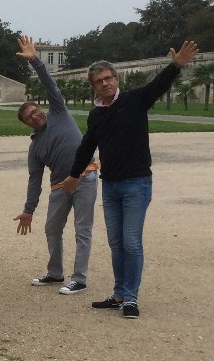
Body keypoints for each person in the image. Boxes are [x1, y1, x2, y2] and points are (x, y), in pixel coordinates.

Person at [59, 40, 201, 319]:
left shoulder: (135, 100)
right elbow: (87, 147)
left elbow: (157, 86)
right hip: (111, 184)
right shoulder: (96, 114)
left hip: (136, 183)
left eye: (108, 78)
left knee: (131, 242)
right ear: (93, 86)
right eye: (99, 81)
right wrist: (74, 176)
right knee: (115, 243)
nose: (104, 83)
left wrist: (176, 66)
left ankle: (130, 298)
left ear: (116, 78)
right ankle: (119, 293)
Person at [12, 35, 98, 295]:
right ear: (27, 124)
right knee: (52, 229)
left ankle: (79, 278)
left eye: (35, 111)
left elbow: (50, 85)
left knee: (82, 230)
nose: (35, 116)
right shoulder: (35, 147)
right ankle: (56, 272)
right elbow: (34, 180)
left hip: (85, 177)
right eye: (29, 117)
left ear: (41, 108)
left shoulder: (59, 111)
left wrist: (36, 61)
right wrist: (28, 210)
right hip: (60, 185)